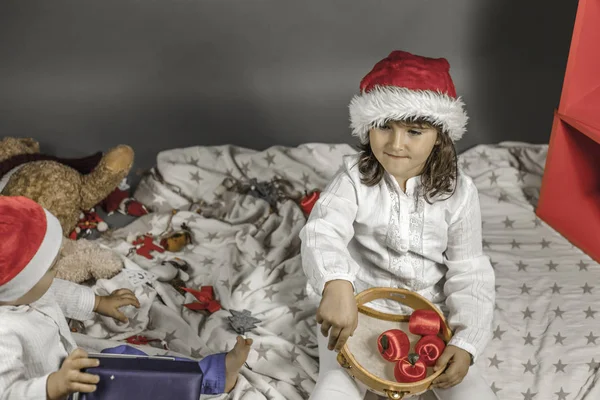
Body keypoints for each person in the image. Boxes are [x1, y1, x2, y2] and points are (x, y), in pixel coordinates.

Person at [300, 50, 497, 400]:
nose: (395, 143)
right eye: (384, 127)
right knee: (334, 388)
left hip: (431, 318)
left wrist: (467, 343)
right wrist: (335, 282)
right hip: (354, 310)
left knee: (472, 391)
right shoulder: (353, 178)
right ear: (367, 127)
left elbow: (470, 271)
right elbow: (322, 230)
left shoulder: (460, 192)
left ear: (440, 135)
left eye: (414, 131)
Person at [0, 196, 252, 400]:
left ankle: (214, 376)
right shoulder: (4, 334)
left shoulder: (28, 292)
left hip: (76, 368)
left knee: (133, 362)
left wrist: (99, 303)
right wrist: (51, 387)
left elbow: (56, 290)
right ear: (17, 284)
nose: (58, 269)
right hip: (60, 389)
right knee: (135, 387)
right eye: (51, 267)